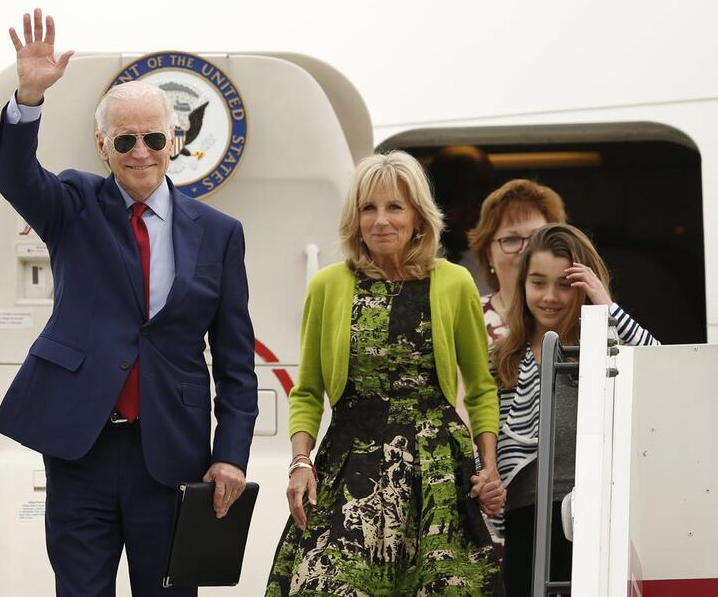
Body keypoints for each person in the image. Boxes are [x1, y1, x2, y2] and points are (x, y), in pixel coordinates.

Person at [0, 10, 257, 597]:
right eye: (126, 139)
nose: (141, 152)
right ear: (102, 144)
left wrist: (230, 454)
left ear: (175, 142)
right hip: (80, 446)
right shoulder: (73, 203)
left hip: (170, 453)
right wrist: (28, 98)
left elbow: (236, 362)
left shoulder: (219, 233)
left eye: (154, 138)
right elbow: (14, 174)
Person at [266, 151, 505, 596]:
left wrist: (487, 467)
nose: (381, 220)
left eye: (394, 207)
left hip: (436, 468)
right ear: (354, 218)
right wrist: (301, 463)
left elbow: (480, 387)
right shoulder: (328, 285)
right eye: (368, 208)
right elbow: (308, 390)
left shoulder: (454, 283)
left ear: (418, 216)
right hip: (349, 462)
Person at [490, 223, 657, 596]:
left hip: (596, 516)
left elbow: (657, 367)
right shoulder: (503, 358)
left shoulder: (606, 350)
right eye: (537, 282)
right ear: (521, 286)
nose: (550, 296)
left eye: (565, 284)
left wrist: (607, 307)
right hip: (523, 518)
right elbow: (487, 432)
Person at [467, 179, 567, 345]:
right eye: (511, 239)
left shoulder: (574, 317)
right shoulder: (468, 319)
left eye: (537, 237)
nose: (526, 250)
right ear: (488, 254)